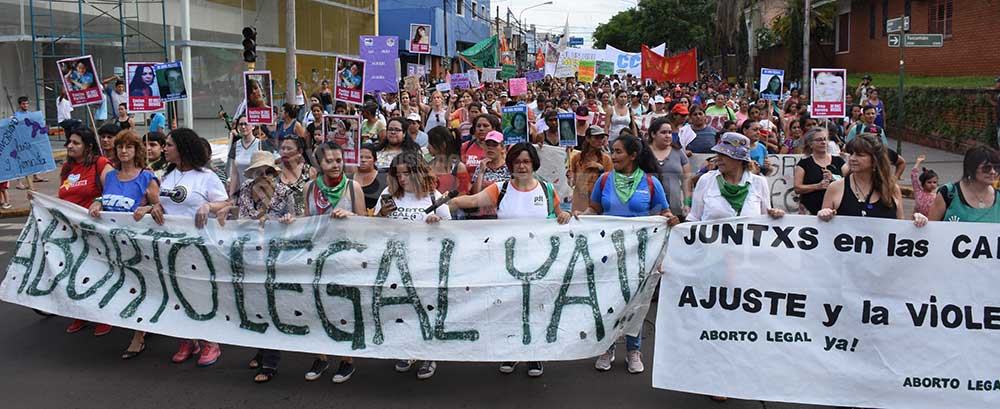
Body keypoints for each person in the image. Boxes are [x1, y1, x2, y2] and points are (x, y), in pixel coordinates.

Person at [449, 143, 572, 378]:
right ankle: (512, 351)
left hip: (539, 262)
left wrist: (564, 215)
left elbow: (559, 217)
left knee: (536, 308)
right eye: (517, 162)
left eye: (526, 161)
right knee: (511, 307)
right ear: (511, 165)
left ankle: (534, 354)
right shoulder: (501, 188)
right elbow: (473, 201)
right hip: (508, 263)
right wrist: (448, 205)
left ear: (534, 163)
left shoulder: (547, 190)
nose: (522, 166)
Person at [575, 134, 676, 374]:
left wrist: (670, 219)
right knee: (609, 300)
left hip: (640, 254)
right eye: (614, 151)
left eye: (619, 152)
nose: (614, 156)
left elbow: (663, 212)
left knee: (635, 302)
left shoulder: (651, 183)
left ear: (633, 156)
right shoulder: (604, 180)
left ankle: (633, 350)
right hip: (608, 252)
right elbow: (595, 209)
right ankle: (607, 347)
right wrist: (579, 217)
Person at [153, 128, 230, 366]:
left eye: (169, 145)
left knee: (200, 294)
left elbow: (226, 203)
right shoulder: (167, 176)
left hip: (199, 248)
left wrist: (209, 206)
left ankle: (211, 342)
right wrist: (153, 208)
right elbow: (165, 206)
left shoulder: (206, 176)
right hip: (171, 248)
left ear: (183, 148)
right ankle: (187, 338)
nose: (164, 149)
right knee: (177, 293)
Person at [374, 151, 451, 380]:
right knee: (402, 308)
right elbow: (373, 228)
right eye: (398, 175)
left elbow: (451, 230)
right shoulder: (389, 194)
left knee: (426, 307)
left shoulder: (432, 196)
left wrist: (437, 223)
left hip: (425, 262)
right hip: (397, 263)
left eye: (407, 173)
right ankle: (408, 350)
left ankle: (428, 353)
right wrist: (380, 216)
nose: (403, 179)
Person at [86, 130, 161, 360]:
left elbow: (161, 210)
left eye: (129, 146)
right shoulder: (109, 177)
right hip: (111, 246)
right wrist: (97, 202)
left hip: (138, 247)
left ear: (137, 150)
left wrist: (147, 208)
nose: (124, 151)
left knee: (138, 288)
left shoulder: (147, 178)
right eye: (120, 147)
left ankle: (138, 337)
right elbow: (105, 199)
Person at [56, 127, 114, 336]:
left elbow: (111, 194)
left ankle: (103, 315)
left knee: (96, 273)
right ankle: (80, 313)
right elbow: (61, 196)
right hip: (70, 232)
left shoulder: (101, 164)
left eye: (76, 143)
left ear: (88, 146)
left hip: (94, 231)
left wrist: (98, 202)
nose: (70, 146)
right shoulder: (66, 169)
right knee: (74, 272)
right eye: (69, 142)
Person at [688, 132, 784, 222]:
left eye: (724, 155)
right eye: (718, 154)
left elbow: (765, 219)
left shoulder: (759, 183)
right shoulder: (706, 180)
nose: (718, 159)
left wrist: (775, 215)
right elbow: (694, 218)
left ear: (739, 159)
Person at [817, 133, 904, 221]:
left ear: (875, 159)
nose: (852, 158)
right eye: (851, 153)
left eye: (860, 155)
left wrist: (916, 222)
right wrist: (823, 214)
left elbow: (901, 225)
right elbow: (824, 227)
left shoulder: (892, 189)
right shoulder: (835, 187)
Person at [925, 146, 999, 223]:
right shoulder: (948, 193)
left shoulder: (998, 197)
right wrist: (920, 221)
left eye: (997, 168)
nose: (993, 172)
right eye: (986, 168)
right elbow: (931, 227)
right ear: (971, 169)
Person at [794, 127, 846, 215]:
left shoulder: (838, 161)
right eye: (819, 140)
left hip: (835, 210)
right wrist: (817, 186)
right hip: (810, 211)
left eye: (825, 139)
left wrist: (833, 178)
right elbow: (797, 188)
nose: (823, 142)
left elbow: (848, 180)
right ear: (811, 144)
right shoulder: (804, 164)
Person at [647, 117, 691, 217]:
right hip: (649, 212)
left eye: (670, 132)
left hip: (675, 211)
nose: (668, 136)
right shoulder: (644, 153)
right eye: (663, 132)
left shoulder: (679, 153)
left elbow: (687, 179)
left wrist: (687, 203)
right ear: (653, 134)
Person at [568, 126, 614, 213]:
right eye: (596, 138)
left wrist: (600, 168)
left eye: (602, 138)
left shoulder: (606, 159)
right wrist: (570, 177)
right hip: (580, 201)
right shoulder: (576, 158)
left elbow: (610, 182)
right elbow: (572, 182)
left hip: (597, 201)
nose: (600, 140)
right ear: (588, 139)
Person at [276, 136, 317, 216]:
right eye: (283, 148)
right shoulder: (275, 171)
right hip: (277, 222)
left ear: (300, 152)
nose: (284, 152)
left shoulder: (310, 172)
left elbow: (314, 200)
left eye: (289, 149)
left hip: (301, 222)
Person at [427, 126, 470, 195]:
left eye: (430, 143)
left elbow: (463, 193)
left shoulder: (458, 167)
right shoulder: (428, 164)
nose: (427, 147)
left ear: (443, 145)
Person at [228, 115, 261, 195]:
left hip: (258, 192)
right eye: (240, 124)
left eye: (246, 124)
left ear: (253, 126)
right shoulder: (235, 145)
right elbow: (234, 174)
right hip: (242, 192)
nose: (243, 127)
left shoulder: (260, 144)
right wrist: (231, 194)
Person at [354, 143, 384, 213]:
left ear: (375, 160)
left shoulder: (384, 178)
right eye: (360, 157)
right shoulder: (347, 178)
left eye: (368, 157)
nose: (363, 160)